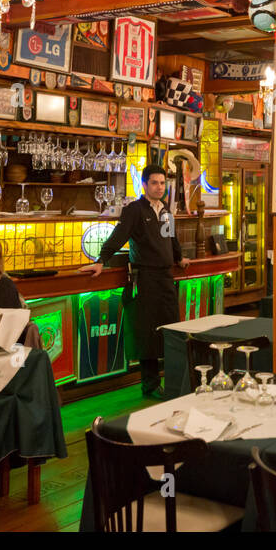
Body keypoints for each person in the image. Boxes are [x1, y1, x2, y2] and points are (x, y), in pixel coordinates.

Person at [78, 164, 188, 398]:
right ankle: (149, 386)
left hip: (166, 277)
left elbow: (171, 238)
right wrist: (101, 260)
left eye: (162, 183)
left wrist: (179, 257)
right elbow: (119, 236)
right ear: (144, 185)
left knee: (170, 329)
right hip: (145, 277)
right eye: (155, 183)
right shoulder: (134, 210)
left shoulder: (166, 210)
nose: (159, 187)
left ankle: (174, 381)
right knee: (147, 333)